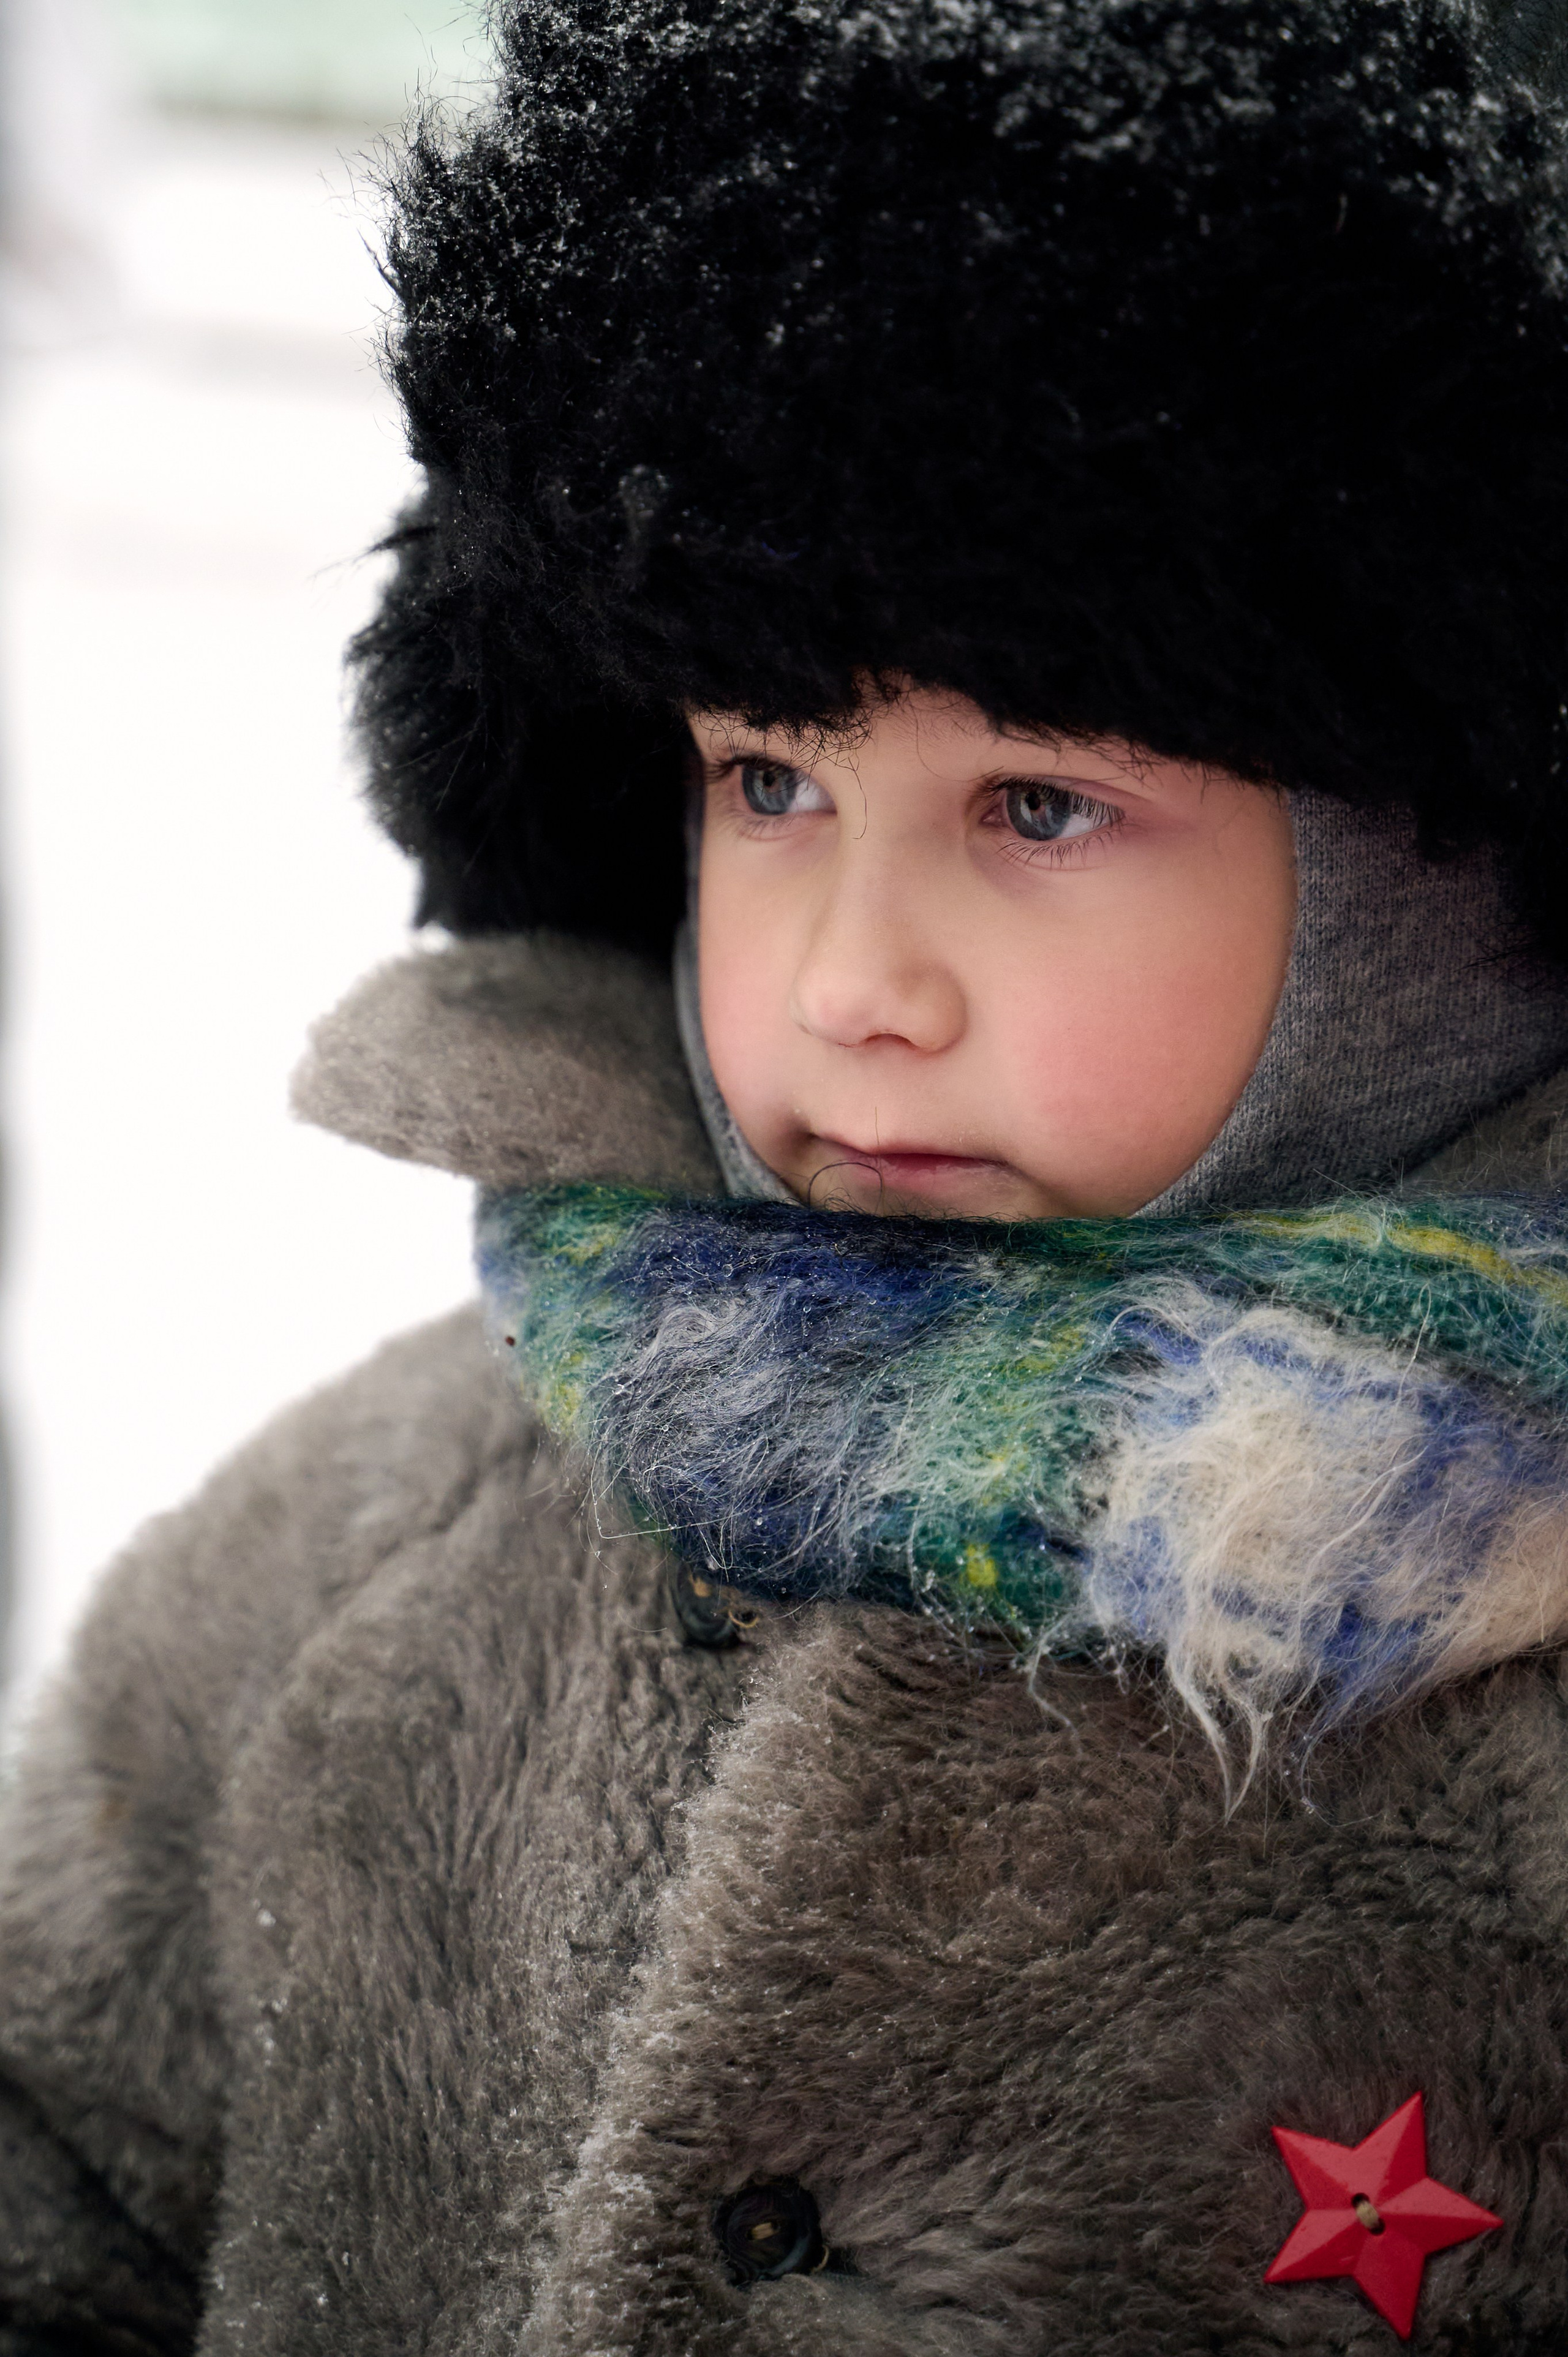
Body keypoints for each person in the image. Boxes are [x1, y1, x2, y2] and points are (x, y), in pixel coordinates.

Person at [4, 0, 1568, 2348]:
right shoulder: (379, 1539)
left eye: (1039, 810)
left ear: (1426, 892)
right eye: (770, 786)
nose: (857, 981)